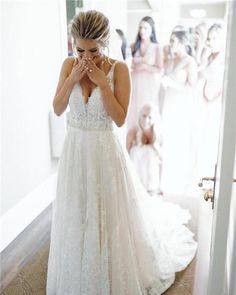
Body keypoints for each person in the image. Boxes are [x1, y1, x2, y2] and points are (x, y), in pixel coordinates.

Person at [46, 10, 197, 295]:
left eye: (93, 50)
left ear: (105, 44)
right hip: (76, 152)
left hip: (104, 152)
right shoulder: (69, 64)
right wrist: (71, 78)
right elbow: (57, 108)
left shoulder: (120, 69)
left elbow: (119, 119)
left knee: (107, 216)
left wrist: (103, 83)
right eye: (79, 49)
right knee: (78, 212)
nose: (85, 56)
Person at [160, 29, 197, 194]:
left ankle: (178, 180)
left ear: (182, 42)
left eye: (173, 40)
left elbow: (192, 88)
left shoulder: (190, 62)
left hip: (180, 105)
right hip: (167, 102)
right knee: (166, 139)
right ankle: (164, 180)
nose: (170, 43)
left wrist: (173, 84)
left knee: (178, 141)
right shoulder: (170, 60)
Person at [196, 23, 226, 179]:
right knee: (201, 138)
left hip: (216, 103)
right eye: (209, 38)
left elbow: (226, 85)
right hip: (202, 101)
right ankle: (202, 173)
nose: (211, 41)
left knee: (213, 138)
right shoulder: (207, 56)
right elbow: (199, 74)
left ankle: (214, 174)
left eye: (215, 38)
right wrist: (202, 53)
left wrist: (213, 100)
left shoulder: (225, 59)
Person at [126, 16, 163, 130]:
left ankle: (146, 139)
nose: (142, 31)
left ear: (152, 30)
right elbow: (127, 64)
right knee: (133, 110)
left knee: (147, 110)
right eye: (140, 27)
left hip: (149, 85)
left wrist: (145, 66)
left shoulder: (157, 47)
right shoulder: (133, 46)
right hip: (134, 83)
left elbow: (159, 69)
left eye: (145, 28)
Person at [127, 104, 163, 196]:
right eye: (144, 116)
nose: (146, 120)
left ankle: (152, 190)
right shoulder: (132, 132)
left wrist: (161, 185)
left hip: (152, 184)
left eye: (150, 117)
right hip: (135, 181)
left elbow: (161, 161)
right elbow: (126, 157)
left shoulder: (157, 134)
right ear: (139, 116)